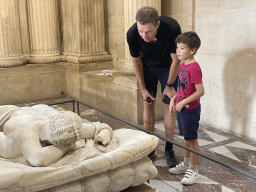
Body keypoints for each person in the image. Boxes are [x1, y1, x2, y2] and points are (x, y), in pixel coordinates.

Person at [126, 6, 181, 167]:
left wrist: (170, 85)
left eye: (148, 31)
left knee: (169, 106)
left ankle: (169, 148)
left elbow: (176, 60)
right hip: (147, 67)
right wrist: (143, 89)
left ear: (157, 24)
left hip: (167, 68)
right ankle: (149, 147)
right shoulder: (132, 34)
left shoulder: (172, 28)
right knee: (147, 103)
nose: (144, 36)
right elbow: (136, 61)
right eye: (140, 30)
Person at [0, 104, 118, 167]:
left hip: (18, 115)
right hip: (7, 113)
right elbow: (38, 159)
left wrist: (103, 135)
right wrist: (69, 147)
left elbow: (99, 126)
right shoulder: (28, 133)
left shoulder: (67, 128)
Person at [168, 31, 204, 185]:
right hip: (182, 108)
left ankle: (194, 169)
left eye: (182, 48)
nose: (178, 51)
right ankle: (187, 164)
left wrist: (183, 103)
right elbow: (182, 89)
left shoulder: (194, 68)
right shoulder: (183, 66)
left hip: (190, 110)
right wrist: (174, 99)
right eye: (177, 48)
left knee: (192, 139)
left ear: (193, 50)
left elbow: (200, 91)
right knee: (186, 138)